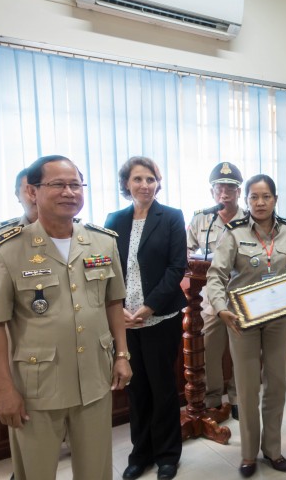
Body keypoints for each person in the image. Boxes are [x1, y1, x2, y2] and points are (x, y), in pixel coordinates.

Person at [0, 155, 132, 480]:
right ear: (32, 192)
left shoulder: (102, 241)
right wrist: (4, 390)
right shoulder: (5, 249)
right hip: (36, 388)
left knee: (96, 471)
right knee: (35, 473)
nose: (69, 192)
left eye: (75, 184)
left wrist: (121, 355)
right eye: (58, 184)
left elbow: (113, 303)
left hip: (94, 379)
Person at [207, 174, 286, 478]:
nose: (260, 203)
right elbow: (216, 275)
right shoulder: (233, 233)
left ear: (275, 199)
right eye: (254, 197)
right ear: (246, 201)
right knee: (246, 388)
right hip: (241, 319)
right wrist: (221, 310)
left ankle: (272, 449)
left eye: (266, 197)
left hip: (278, 318)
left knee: (277, 385)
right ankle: (248, 454)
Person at [104, 156, 187, 480]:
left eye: (151, 179)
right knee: (136, 389)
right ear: (127, 184)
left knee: (163, 387)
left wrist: (149, 306)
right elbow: (107, 268)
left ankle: (168, 455)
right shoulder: (114, 219)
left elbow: (176, 267)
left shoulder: (170, 217)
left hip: (159, 316)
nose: (145, 185)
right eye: (138, 179)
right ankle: (140, 454)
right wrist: (119, 308)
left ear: (158, 183)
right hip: (124, 318)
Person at [186, 161, 244, 419]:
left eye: (231, 187)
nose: (225, 192)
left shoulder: (251, 218)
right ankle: (212, 398)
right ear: (212, 192)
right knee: (210, 350)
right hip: (210, 299)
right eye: (219, 187)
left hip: (242, 297)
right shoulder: (201, 219)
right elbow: (186, 253)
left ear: (239, 192)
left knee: (242, 352)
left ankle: (238, 398)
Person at [0, 168, 38, 235]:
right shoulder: (4, 232)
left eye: (41, 190)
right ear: (18, 195)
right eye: (30, 191)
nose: (36, 196)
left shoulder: (58, 227)